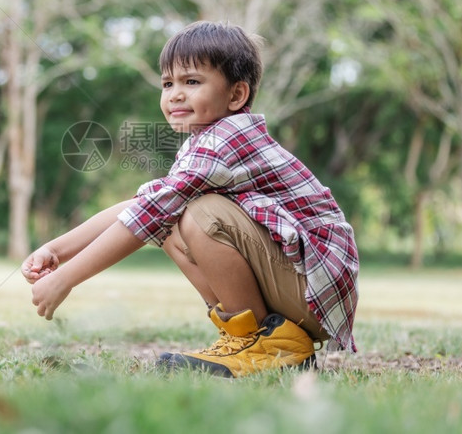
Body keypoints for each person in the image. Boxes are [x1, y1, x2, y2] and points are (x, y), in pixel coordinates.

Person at [21, 20, 359, 378]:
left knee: (200, 214)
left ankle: (265, 343)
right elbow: (145, 206)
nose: (175, 94)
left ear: (236, 96)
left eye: (191, 82)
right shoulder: (203, 144)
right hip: (299, 286)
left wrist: (66, 278)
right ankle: (247, 337)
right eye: (167, 84)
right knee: (170, 220)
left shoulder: (228, 139)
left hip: (314, 289)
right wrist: (56, 251)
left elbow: (147, 216)